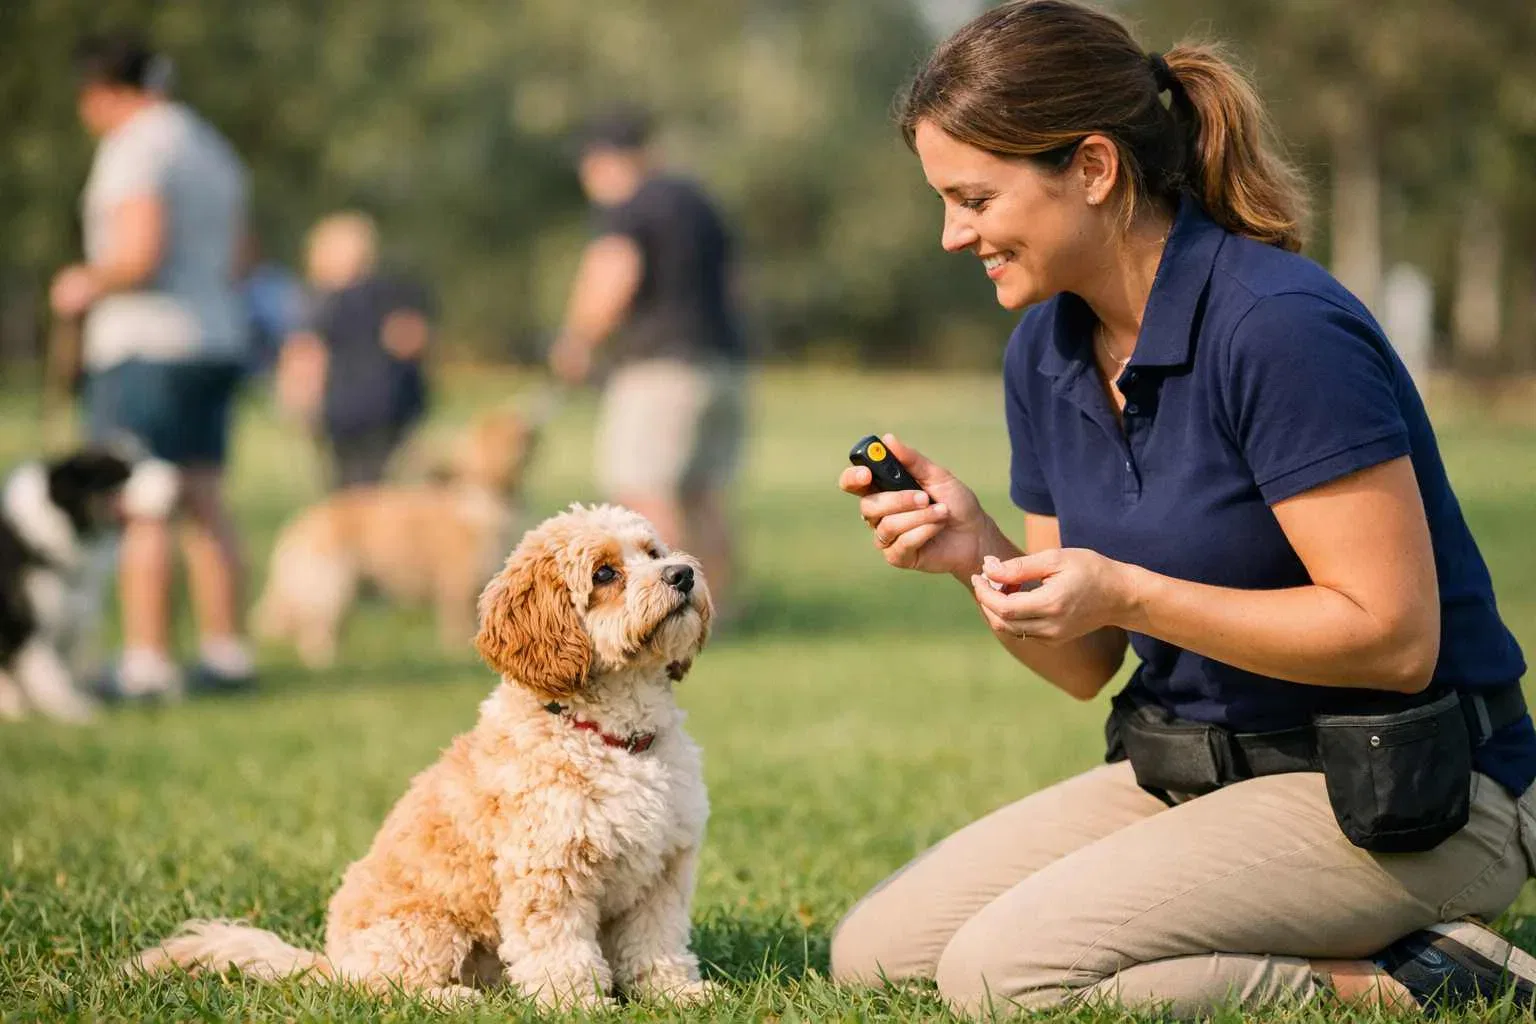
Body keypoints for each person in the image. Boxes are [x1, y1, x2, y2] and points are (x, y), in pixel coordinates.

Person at [833, 1, 1536, 1017]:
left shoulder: (1280, 328)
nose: (952, 235)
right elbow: (1084, 663)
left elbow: (1393, 640)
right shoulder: (1046, 347)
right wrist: (973, 551)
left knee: (1001, 976)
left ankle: (1416, 979)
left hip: (1413, 794)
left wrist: (1131, 588)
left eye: (973, 198)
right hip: (1197, 774)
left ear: (1093, 168)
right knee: (879, 954)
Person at [50, 32, 254, 697]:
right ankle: (227, 654)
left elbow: (139, 252)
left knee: (144, 504)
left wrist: (85, 281)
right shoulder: (210, 146)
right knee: (203, 498)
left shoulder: (135, 146)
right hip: (214, 336)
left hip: (147, 345)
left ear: (105, 94)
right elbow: (239, 256)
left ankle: (146, 662)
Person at [548, 109, 748, 619]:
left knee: (643, 493)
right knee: (703, 496)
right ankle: (716, 613)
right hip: (723, 364)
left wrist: (577, 340)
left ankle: (663, 613)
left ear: (601, 163)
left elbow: (615, 272)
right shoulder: (699, 202)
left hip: (660, 369)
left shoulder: (630, 205)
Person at [275, 212, 433, 490]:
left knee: (350, 490)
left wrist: (297, 401)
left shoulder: (320, 303)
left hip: (344, 412)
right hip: (391, 410)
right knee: (384, 487)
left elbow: (306, 355)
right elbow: (412, 339)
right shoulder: (392, 293)